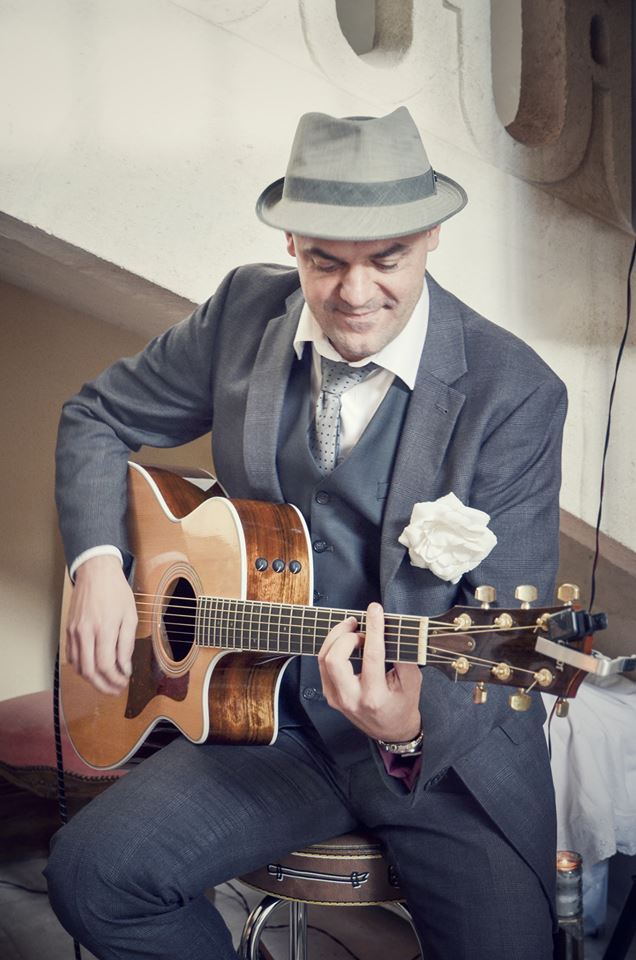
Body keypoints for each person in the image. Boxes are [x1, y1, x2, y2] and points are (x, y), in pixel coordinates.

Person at [46, 108, 567, 959]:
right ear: (290, 241)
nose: (355, 295)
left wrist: (406, 726)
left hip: (448, 751)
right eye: (326, 261)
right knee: (93, 876)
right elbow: (96, 417)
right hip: (270, 726)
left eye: (386, 259)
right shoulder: (242, 312)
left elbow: (511, 626)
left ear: (432, 236)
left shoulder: (516, 391)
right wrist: (100, 565)